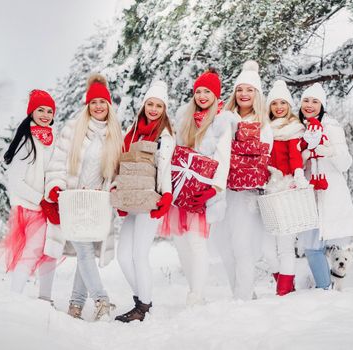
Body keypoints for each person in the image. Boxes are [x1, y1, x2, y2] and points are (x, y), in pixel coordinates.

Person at [45, 74, 123, 320]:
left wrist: (112, 188)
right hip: (73, 200)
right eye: (94, 102)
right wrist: (56, 187)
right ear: (88, 105)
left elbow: (117, 172)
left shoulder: (113, 134)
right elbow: (57, 162)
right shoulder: (73, 129)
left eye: (103, 102)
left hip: (96, 204)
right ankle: (101, 299)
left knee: (85, 252)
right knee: (85, 251)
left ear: (109, 105)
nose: (98, 106)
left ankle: (76, 305)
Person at [161, 68, 232, 305]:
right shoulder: (185, 119)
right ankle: (194, 289)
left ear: (215, 95)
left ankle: (197, 294)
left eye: (207, 92)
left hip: (204, 190)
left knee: (196, 242)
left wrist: (213, 190)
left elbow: (224, 159)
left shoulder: (222, 121)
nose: (202, 96)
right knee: (181, 244)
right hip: (182, 189)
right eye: (198, 91)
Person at [212, 60, 273, 300]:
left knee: (242, 246)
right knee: (224, 247)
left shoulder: (264, 124)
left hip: (247, 193)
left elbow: (264, 157)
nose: (244, 94)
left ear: (256, 94)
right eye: (239, 89)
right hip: (222, 191)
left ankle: (242, 299)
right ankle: (243, 293)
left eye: (249, 89)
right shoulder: (224, 119)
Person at [115, 81, 175, 322]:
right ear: (143, 105)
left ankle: (144, 306)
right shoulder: (132, 131)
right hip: (130, 198)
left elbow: (166, 168)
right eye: (150, 104)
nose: (153, 109)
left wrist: (166, 196)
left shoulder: (165, 135)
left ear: (164, 109)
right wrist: (117, 192)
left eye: (158, 106)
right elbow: (121, 164)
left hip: (150, 198)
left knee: (139, 255)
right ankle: (142, 299)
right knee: (123, 256)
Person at [297, 83, 353, 289]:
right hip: (307, 192)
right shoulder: (298, 128)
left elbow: (345, 163)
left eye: (315, 101)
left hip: (330, 192)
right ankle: (324, 287)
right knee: (312, 246)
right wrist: (304, 155)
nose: (310, 105)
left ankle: (328, 288)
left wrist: (328, 151)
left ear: (322, 105)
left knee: (327, 244)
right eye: (306, 100)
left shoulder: (332, 127)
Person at [0, 89, 58, 302]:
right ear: (31, 112)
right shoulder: (28, 141)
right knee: (33, 250)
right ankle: (14, 297)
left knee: (51, 251)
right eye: (40, 109)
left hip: (48, 206)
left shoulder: (52, 140)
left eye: (49, 111)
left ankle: (45, 298)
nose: (45, 114)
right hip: (31, 207)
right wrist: (40, 199)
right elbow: (15, 180)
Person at [262, 80, 308, 296]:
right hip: (267, 190)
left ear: (289, 105)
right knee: (267, 247)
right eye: (274, 103)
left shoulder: (294, 129)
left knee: (285, 246)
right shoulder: (265, 129)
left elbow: (295, 155)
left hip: (287, 188)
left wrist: (298, 175)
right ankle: (286, 285)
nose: (278, 107)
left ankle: (284, 292)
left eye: (283, 103)